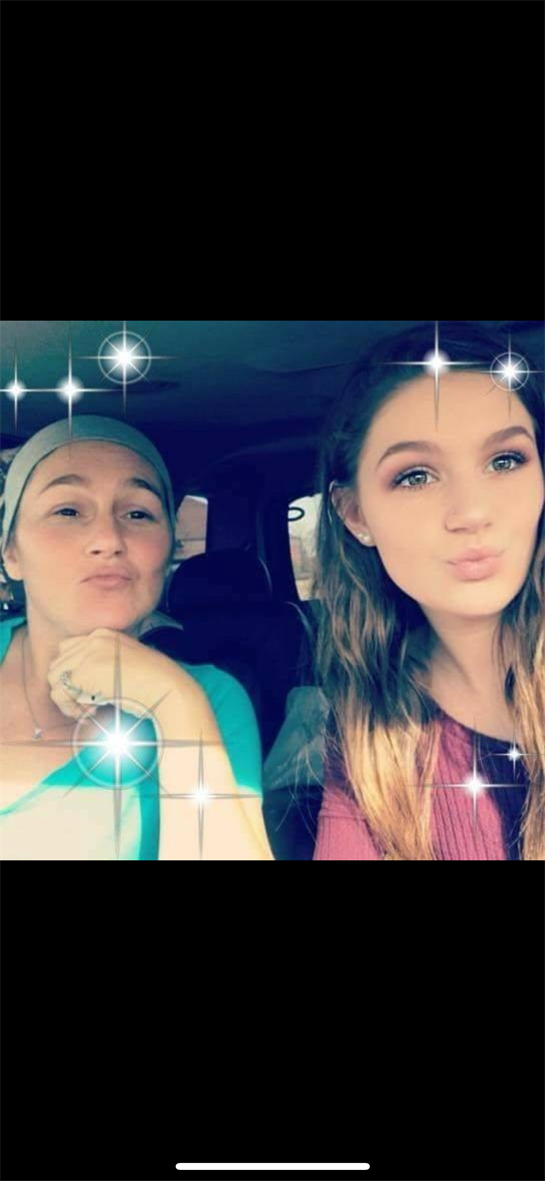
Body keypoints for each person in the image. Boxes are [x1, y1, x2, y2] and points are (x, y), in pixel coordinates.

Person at [310, 322, 545, 860]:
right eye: (415, 475)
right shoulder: (369, 726)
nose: (472, 512)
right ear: (355, 514)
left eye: (505, 460)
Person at [0, 414, 273, 860]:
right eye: (67, 511)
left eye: (138, 514)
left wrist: (174, 703)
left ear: (168, 551)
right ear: (11, 551)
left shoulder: (210, 698)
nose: (109, 539)